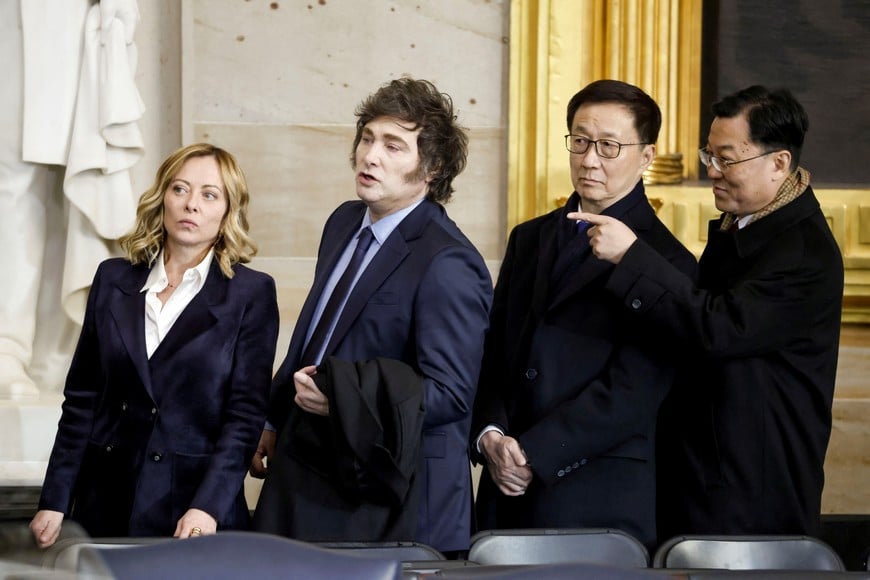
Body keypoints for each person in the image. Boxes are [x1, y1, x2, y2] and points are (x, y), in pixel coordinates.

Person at [574, 85, 843, 539]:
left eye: (727, 159)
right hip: (706, 474)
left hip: (750, 493)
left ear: (778, 162)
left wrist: (633, 257)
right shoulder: (744, 226)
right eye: (709, 156)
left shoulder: (802, 253)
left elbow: (718, 327)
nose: (713, 172)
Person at [250, 77, 493, 557]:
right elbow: (315, 336)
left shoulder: (448, 262)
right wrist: (274, 418)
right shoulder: (343, 220)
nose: (370, 156)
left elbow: (450, 395)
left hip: (390, 491)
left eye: (393, 146)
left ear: (432, 167)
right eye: (367, 138)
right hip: (312, 468)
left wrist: (342, 401)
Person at [470, 79, 697, 550]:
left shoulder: (670, 263)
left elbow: (633, 391)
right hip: (504, 489)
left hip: (596, 493)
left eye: (609, 146)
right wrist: (490, 435)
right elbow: (494, 353)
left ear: (647, 156)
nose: (589, 159)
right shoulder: (528, 238)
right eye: (580, 140)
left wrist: (534, 453)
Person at [29, 143, 279, 547]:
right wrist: (55, 498)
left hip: (193, 510)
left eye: (209, 194)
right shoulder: (112, 280)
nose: (191, 205)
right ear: (162, 197)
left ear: (228, 211)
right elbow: (81, 400)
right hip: (105, 503)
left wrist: (208, 507)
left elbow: (244, 418)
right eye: (180, 189)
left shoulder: (251, 293)